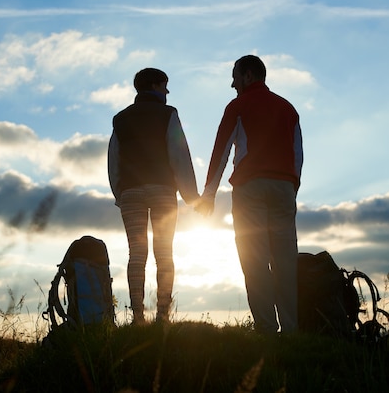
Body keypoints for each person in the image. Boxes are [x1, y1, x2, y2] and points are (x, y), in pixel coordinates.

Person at [197, 55, 303, 333]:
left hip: (250, 188)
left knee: (254, 259)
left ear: (248, 75)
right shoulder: (288, 108)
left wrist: (208, 194)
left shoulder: (238, 106)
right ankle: (291, 331)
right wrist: (292, 186)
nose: (232, 83)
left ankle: (267, 330)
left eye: (235, 76)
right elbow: (298, 153)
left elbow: (220, 151)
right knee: (285, 261)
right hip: (284, 188)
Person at [108, 68, 200, 324]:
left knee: (136, 253)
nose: (167, 91)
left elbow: (113, 160)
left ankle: (137, 315)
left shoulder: (121, 118)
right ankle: (162, 315)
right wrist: (191, 196)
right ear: (155, 86)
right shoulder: (168, 114)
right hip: (162, 189)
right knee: (164, 252)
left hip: (130, 191)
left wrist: (120, 193)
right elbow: (179, 154)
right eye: (164, 85)